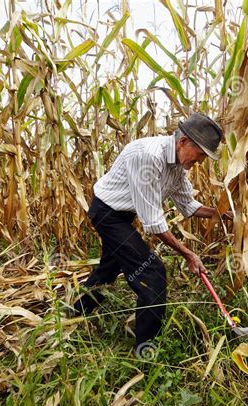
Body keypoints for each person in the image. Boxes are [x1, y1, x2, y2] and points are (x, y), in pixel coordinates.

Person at [72, 112, 229, 350]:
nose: (199, 163)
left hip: (123, 215)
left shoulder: (177, 166)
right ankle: (147, 349)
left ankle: (73, 313)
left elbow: (188, 206)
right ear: (184, 141)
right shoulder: (148, 157)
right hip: (107, 214)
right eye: (199, 156)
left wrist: (223, 214)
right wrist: (188, 254)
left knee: (108, 270)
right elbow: (154, 223)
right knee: (153, 273)